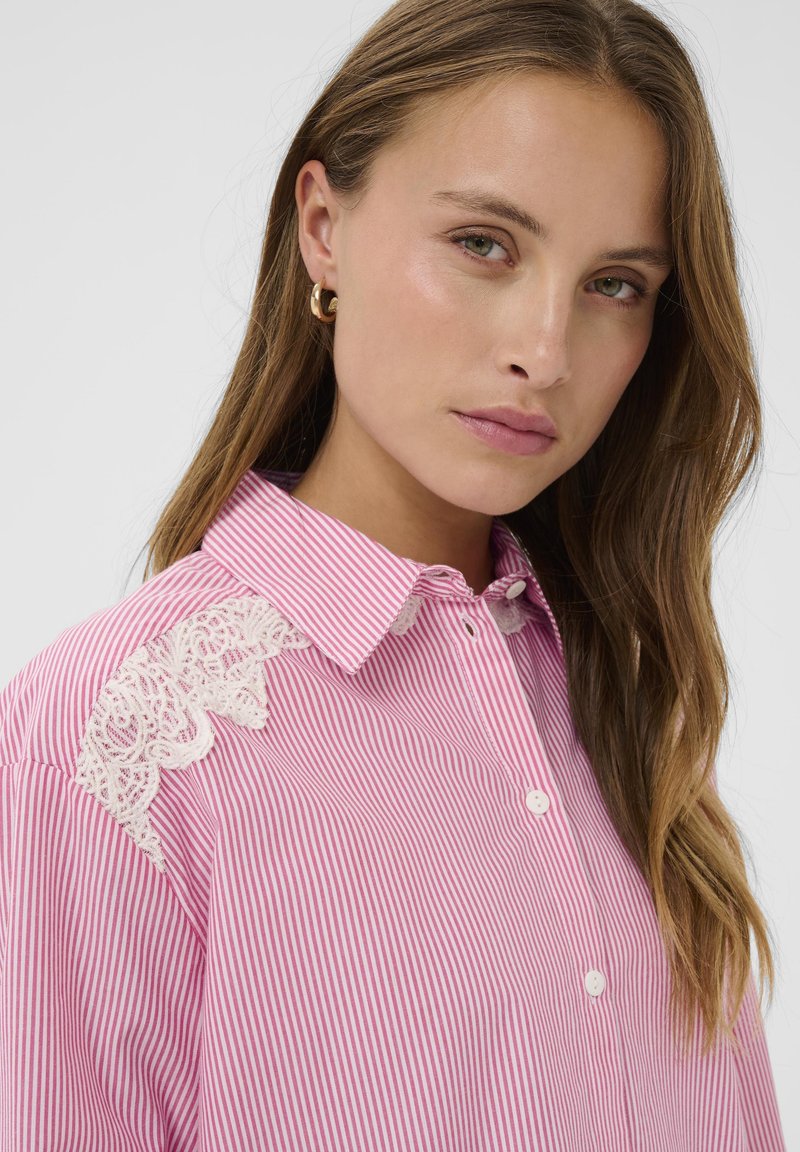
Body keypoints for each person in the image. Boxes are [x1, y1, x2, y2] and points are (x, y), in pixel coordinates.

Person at [0, 0, 787, 1147]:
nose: (543, 351)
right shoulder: (119, 738)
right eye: (483, 244)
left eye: (614, 283)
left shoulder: (615, 691)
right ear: (323, 226)